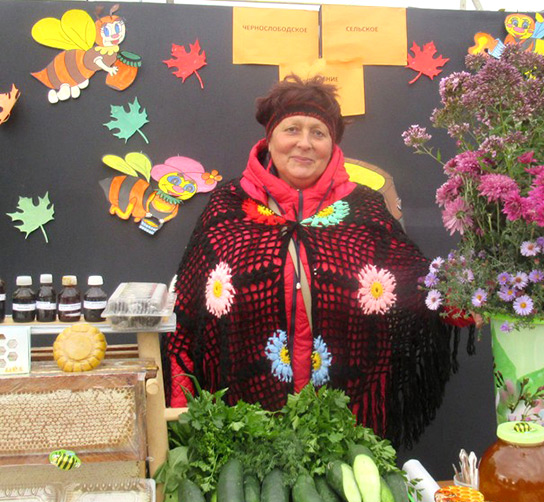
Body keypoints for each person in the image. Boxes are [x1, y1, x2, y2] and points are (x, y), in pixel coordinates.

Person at [165, 75, 463, 446]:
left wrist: (464, 298)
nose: (304, 143)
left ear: (333, 145)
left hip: (344, 419)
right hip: (244, 422)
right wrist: (180, 404)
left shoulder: (365, 208)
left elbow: (410, 283)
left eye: (318, 133)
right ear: (270, 138)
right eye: (292, 129)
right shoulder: (228, 208)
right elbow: (187, 312)